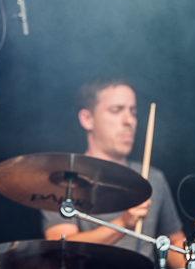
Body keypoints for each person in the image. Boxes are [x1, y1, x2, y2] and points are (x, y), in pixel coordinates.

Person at [42, 77, 186, 268]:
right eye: (117, 110)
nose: (129, 120)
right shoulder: (63, 179)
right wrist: (123, 224)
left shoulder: (153, 178)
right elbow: (62, 248)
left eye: (133, 111)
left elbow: (175, 243)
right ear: (87, 119)